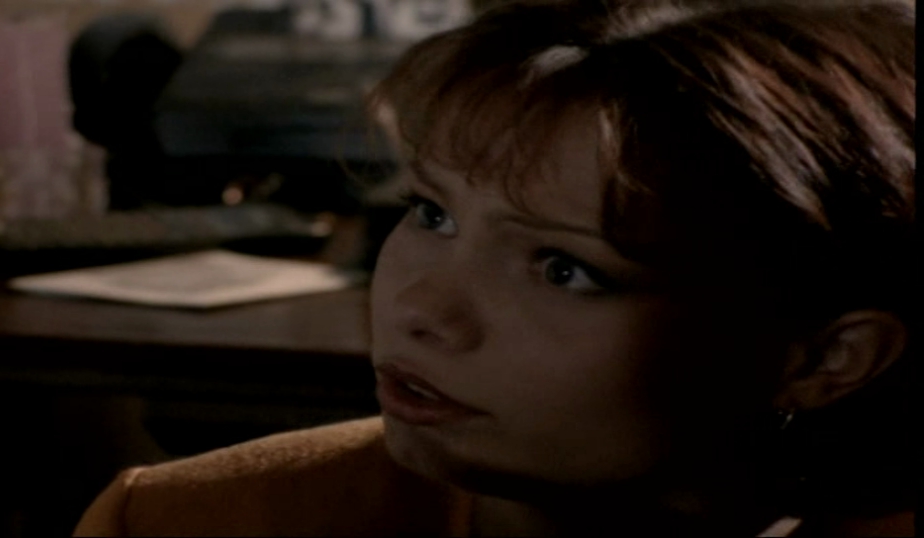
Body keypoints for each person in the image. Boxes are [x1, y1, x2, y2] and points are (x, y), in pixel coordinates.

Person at [74, 0, 916, 536]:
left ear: (824, 358)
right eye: (432, 213)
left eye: (563, 268)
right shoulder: (186, 522)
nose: (421, 311)